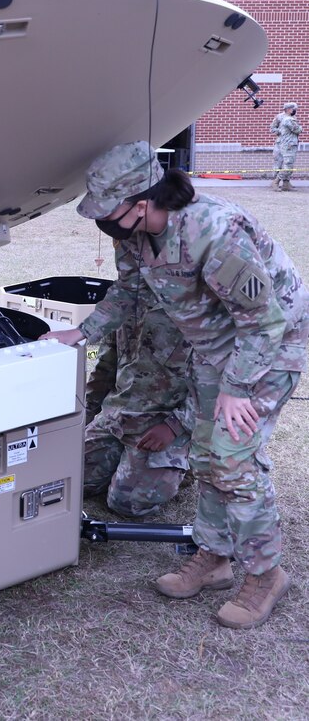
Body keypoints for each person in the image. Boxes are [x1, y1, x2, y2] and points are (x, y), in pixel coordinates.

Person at [42, 141, 309, 630]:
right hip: (215, 348)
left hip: (268, 347)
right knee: (207, 455)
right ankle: (215, 556)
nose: (101, 221)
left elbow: (264, 321)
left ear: (142, 202)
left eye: (108, 210)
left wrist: (238, 387)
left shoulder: (216, 231)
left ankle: (266, 574)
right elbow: (128, 290)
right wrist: (82, 332)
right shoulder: (135, 234)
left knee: (232, 459)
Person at [84, 265, 192, 518]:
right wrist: (86, 413)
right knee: (72, 480)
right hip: (117, 415)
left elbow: (218, 387)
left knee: (126, 503)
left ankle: (191, 461)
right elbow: (105, 365)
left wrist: (175, 427)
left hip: (164, 422)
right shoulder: (126, 297)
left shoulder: (196, 306)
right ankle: (126, 464)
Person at [271, 101, 301, 191]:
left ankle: (286, 183)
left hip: (288, 142)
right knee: (279, 162)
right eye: (293, 109)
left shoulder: (292, 117)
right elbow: (272, 128)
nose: (295, 110)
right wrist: (279, 132)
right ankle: (275, 181)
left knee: (288, 163)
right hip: (282, 143)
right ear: (288, 109)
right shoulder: (281, 117)